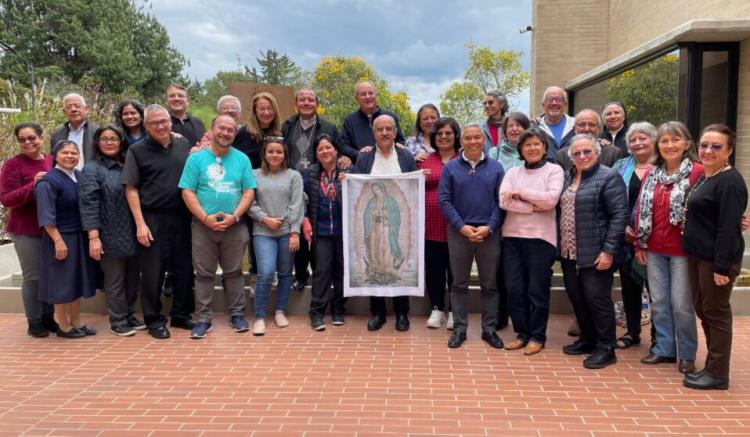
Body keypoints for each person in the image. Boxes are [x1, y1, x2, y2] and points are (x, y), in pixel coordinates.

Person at [681, 124, 748, 390]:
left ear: (729, 151)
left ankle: (719, 374)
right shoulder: (707, 175)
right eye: (705, 145)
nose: (708, 150)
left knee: (716, 313)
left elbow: (728, 228)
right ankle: (712, 365)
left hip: (716, 261)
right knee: (704, 309)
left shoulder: (730, 182)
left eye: (716, 146)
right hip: (699, 257)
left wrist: (721, 267)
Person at [121, 104, 196, 340]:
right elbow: (131, 189)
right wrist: (140, 224)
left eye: (165, 121)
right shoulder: (137, 151)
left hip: (183, 216)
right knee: (153, 272)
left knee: (184, 268)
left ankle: (182, 314)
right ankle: (154, 319)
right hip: (152, 218)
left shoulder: (182, 144)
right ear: (146, 126)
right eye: (155, 123)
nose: (162, 126)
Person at [178, 115, 256, 339]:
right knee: (203, 274)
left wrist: (235, 215)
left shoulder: (242, 159)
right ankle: (203, 319)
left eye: (230, 130)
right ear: (211, 130)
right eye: (221, 128)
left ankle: (238, 315)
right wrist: (204, 217)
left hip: (234, 226)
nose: (225, 133)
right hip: (203, 226)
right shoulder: (196, 159)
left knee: (234, 272)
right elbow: (187, 191)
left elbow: (249, 191)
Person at [634, 121, 701, 374]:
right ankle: (664, 348)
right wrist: (639, 243)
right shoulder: (652, 174)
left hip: (683, 250)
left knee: (682, 303)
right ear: (658, 146)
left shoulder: (698, 172)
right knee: (659, 301)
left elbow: (711, 204)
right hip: (653, 247)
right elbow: (641, 208)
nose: (670, 145)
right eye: (664, 141)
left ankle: (686, 353)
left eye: (675, 140)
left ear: (686, 144)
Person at [559, 134, 627, 369]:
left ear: (597, 153)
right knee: (577, 298)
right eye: (576, 153)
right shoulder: (568, 177)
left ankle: (606, 347)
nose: (582, 156)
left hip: (596, 251)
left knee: (598, 300)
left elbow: (619, 216)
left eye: (587, 151)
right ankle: (587, 339)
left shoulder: (608, 177)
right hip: (569, 251)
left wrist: (608, 251)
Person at [438, 123, 505, 349]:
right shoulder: (451, 168)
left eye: (477, 137)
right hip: (459, 233)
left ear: (484, 140)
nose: (473, 141)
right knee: (458, 284)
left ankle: (489, 329)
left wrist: (490, 226)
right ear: (462, 141)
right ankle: (459, 329)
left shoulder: (496, 168)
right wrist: (461, 226)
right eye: (468, 138)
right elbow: (444, 200)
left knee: (490, 284)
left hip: (489, 233)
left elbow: (501, 202)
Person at [347, 114, 416, 332]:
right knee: (376, 259)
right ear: (373, 133)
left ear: (395, 132)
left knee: (392, 259)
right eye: (380, 129)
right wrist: (346, 180)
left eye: (389, 129)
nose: (385, 133)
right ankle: (377, 313)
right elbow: (358, 189)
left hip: (392, 226)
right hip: (374, 228)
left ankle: (402, 313)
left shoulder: (406, 156)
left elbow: (411, 188)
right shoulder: (364, 158)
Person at [499, 127, 564, 355]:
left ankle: (537, 336)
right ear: (521, 149)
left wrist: (521, 193)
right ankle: (522, 334)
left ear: (545, 147)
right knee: (514, 289)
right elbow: (503, 202)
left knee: (536, 290)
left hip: (541, 240)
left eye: (537, 144)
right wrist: (534, 206)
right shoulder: (512, 173)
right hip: (512, 239)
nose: (532, 148)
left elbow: (551, 200)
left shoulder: (554, 171)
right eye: (528, 145)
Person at [79, 125, 144, 336]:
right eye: (104, 139)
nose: (109, 142)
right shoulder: (92, 169)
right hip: (109, 233)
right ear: (97, 143)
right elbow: (88, 203)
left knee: (132, 278)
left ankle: (129, 315)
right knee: (115, 280)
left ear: (121, 141)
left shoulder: (128, 164)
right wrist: (93, 236)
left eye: (114, 138)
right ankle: (118, 321)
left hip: (134, 232)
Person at [282, 88, 346, 292]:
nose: (307, 103)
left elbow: (339, 150)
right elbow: (282, 153)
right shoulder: (288, 125)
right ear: (296, 103)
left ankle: (322, 273)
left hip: (318, 180)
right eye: (302, 100)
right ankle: (301, 274)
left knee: (319, 234)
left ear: (317, 103)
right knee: (298, 228)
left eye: (311, 100)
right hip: (294, 181)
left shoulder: (328, 126)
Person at [0, 123, 57, 337]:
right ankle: (34, 321)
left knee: (49, 274)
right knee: (33, 277)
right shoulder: (13, 165)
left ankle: (47, 315)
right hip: (26, 229)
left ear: (41, 138)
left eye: (32, 138)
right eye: (22, 139)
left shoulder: (52, 160)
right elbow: (6, 199)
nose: (27, 143)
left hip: (51, 228)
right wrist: (32, 185)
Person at [35, 140, 96, 338]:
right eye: (65, 153)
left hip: (79, 236)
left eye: (74, 153)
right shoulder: (48, 181)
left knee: (77, 280)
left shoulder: (78, 176)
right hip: (60, 238)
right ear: (55, 155)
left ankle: (76, 321)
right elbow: (46, 215)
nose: (70, 156)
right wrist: (58, 241)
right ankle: (62, 324)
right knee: (62, 282)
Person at [248, 137, 304, 336]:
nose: (275, 155)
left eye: (279, 152)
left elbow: (297, 204)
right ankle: (260, 316)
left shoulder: (293, 176)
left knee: (285, 272)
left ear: (285, 154)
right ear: (264, 153)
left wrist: (294, 231)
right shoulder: (254, 175)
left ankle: (280, 311)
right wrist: (265, 219)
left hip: (287, 232)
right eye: (271, 151)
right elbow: (249, 202)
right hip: (263, 231)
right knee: (265, 272)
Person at [610, 122, 656, 349]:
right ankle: (633, 332)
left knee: (657, 291)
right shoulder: (620, 165)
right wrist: (622, 228)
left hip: (656, 240)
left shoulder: (664, 167)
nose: (638, 143)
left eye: (643, 138)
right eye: (633, 140)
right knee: (629, 288)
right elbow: (612, 199)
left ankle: (660, 336)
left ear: (653, 140)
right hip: (626, 238)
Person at [234, 92, 283, 288]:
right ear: (255, 111)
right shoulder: (244, 134)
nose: (266, 112)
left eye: (269, 108)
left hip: (272, 192)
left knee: (271, 231)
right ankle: (256, 275)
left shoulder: (279, 134)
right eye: (261, 108)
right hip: (249, 192)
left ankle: (271, 272)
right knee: (253, 232)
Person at [418, 117, 460, 329]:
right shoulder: (425, 160)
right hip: (430, 225)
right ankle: (437, 308)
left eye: (448, 133)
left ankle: (454, 310)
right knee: (434, 270)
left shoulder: (462, 159)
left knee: (455, 271)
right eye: (440, 133)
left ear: (455, 136)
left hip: (456, 226)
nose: (444, 137)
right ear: (433, 137)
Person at [303, 134, 347, 330]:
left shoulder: (347, 171)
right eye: (320, 149)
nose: (325, 151)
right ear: (316, 154)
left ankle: (338, 310)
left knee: (341, 272)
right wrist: (305, 220)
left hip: (343, 229)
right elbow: (302, 200)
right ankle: (317, 313)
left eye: (328, 147)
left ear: (336, 150)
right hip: (320, 231)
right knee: (321, 272)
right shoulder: (310, 173)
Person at [340, 80, 405, 161]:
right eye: (363, 94)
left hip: (388, 163)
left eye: (371, 93)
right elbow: (343, 145)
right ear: (356, 98)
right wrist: (358, 154)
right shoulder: (349, 120)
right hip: (360, 166)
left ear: (376, 95)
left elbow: (400, 141)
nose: (368, 97)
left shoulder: (390, 117)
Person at [555, 109, 625, 171]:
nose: (587, 129)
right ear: (574, 129)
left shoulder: (613, 153)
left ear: (598, 128)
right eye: (582, 125)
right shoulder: (561, 156)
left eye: (592, 125)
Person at [50, 93, 100, 170]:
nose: (73, 109)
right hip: (65, 178)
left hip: (92, 178)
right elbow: (54, 160)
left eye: (77, 106)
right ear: (64, 112)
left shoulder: (98, 131)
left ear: (86, 109)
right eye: (69, 107)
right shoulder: (57, 134)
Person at [533, 86, 575, 159]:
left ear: (565, 104)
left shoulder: (576, 125)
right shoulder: (534, 128)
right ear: (543, 104)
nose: (554, 103)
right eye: (550, 99)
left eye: (559, 100)